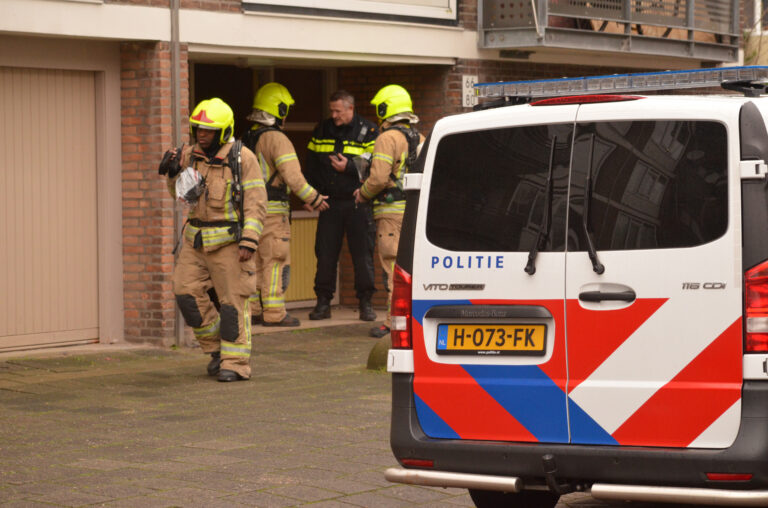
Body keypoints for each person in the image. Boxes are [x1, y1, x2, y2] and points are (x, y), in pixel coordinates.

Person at [162, 97, 267, 382]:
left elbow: (257, 202)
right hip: (196, 241)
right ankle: (216, 350)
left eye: (207, 131)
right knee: (184, 292)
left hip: (231, 244)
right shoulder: (191, 155)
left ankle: (235, 364)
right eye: (198, 129)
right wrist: (172, 175)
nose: (201, 135)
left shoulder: (243, 158)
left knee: (233, 303)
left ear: (223, 131)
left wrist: (249, 241)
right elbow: (183, 197)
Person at [242, 82, 329, 327]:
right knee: (273, 261)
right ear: (278, 110)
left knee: (254, 262)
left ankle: (254, 310)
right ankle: (274, 313)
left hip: (249, 211)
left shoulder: (247, 137)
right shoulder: (277, 139)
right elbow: (292, 176)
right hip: (272, 213)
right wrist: (314, 198)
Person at [354, 85, 425, 338]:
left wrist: (362, 193)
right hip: (415, 212)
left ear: (385, 109)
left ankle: (393, 324)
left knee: (394, 268)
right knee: (411, 269)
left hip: (391, 213)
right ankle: (411, 322)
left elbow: (379, 178)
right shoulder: (420, 137)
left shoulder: (387, 138)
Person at [305, 90, 379, 322]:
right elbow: (311, 164)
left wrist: (348, 167)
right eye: (332, 110)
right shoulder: (322, 129)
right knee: (325, 255)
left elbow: (376, 164)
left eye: (338, 110)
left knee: (362, 256)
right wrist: (310, 193)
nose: (334, 115)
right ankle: (323, 303)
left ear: (350, 108)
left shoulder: (369, 131)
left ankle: (365, 303)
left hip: (358, 203)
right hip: (330, 204)